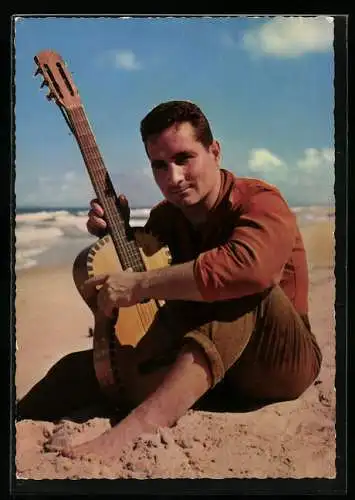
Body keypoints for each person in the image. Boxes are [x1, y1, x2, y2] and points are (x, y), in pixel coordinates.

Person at [18, 100, 322, 461]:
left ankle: (133, 430)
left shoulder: (260, 202)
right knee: (76, 371)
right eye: (159, 166)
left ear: (214, 151)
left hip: (278, 365)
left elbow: (247, 269)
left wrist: (139, 286)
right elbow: (153, 279)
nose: (173, 178)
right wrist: (121, 235)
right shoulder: (166, 217)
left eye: (184, 159)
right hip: (207, 368)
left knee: (237, 289)